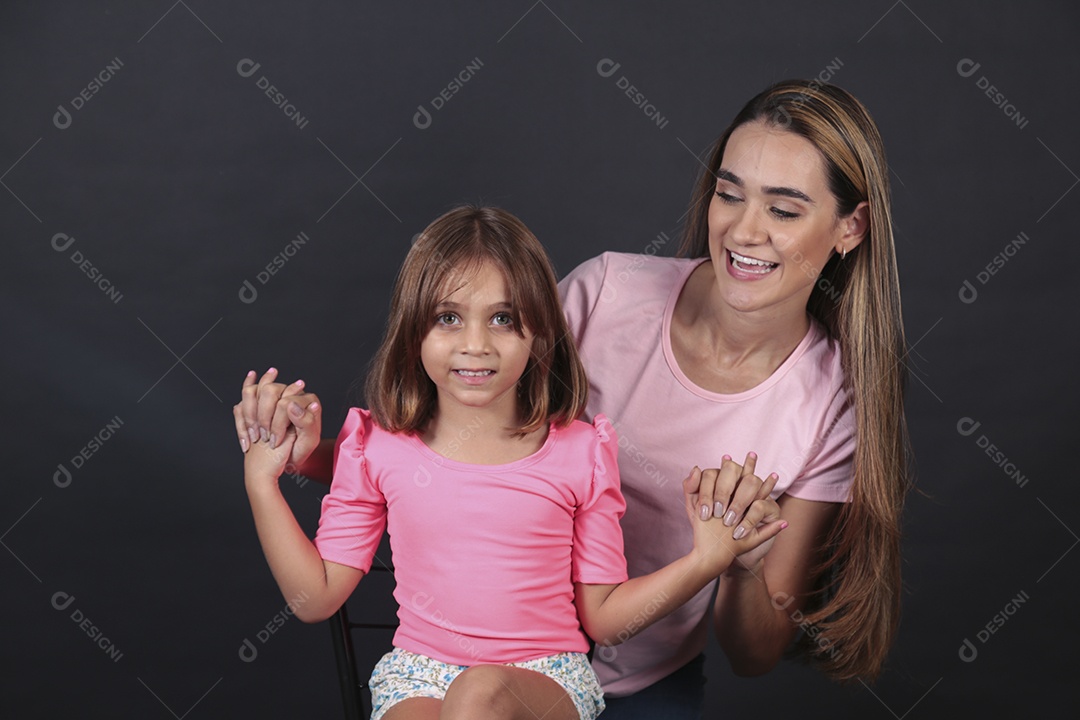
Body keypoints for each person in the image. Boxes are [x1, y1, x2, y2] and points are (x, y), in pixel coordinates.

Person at [237, 79, 912, 718]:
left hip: (628, 678)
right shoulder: (607, 294)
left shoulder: (829, 405)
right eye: (730, 194)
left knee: (481, 695)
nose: (744, 231)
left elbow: (752, 649)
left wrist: (735, 560)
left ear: (850, 227)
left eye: (785, 208)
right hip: (445, 673)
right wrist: (303, 460)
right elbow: (448, 440)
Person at [236, 205, 786, 720]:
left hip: (545, 677)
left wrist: (706, 560)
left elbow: (606, 619)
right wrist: (264, 482)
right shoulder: (375, 444)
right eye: (448, 317)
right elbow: (316, 598)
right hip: (418, 675)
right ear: (413, 332)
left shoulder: (579, 451)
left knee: (479, 696)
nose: (475, 344)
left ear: (539, 333)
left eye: (502, 318)